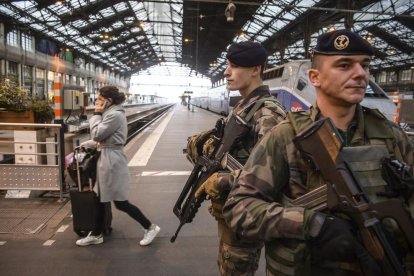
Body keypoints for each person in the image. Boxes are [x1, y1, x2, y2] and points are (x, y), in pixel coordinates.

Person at [223, 29, 414, 275]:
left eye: (365, 65)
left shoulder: (392, 136)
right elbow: (238, 207)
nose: (360, 74)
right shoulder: (286, 137)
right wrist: (311, 224)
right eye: (344, 66)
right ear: (315, 77)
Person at [189, 41, 286, 275]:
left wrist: (222, 180)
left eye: (234, 66)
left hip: (247, 213)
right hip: (232, 209)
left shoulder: (267, 113)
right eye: (227, 65)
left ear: (256, 69)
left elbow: (271, 173)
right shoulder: (245, 107)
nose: (225, 72)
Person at [75, 86, 160, 247]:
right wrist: (92, 144)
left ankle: (150, 227)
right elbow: (105, 138)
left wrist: (97, 115)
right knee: (99, 198)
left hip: (112, 161)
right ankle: (96, 234)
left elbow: (98, 134)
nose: (97, 102)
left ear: (109, 101)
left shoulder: (113, 115)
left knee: (121, 202)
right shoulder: (112, 113)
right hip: (107, 157)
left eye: (100, 99)